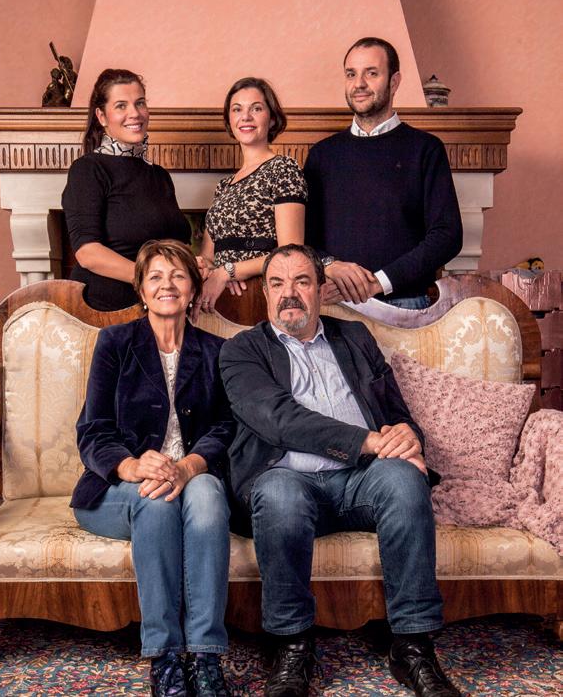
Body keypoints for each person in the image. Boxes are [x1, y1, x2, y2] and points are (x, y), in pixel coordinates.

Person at [219, 244, 462, 697]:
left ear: (320, 289)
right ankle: (292, 646)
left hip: (359, 482)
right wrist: (370, 442)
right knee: (279, 495)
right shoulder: (241, 351)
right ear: (265, 293)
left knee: (404, 480)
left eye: (301, 281)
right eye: (277, 283)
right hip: (287, 478)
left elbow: (395, 410)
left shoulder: (354, 337)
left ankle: (413, 647)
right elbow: (278, 420)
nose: (289, 293)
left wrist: (407, 438)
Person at [71, 240, 233, 696]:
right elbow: (93, 430)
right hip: (117, 490)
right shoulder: (115, 344)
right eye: (156, 277)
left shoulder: (217, 351)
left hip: (193, 477)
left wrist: (189, 467)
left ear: (193, 289)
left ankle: (205, 656)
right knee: (156, 502)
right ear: (142, 290)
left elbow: (226, 427)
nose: (167, 285)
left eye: (178, 276)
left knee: (208, 494)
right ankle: (165, 657)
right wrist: (129, 466)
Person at [304, 37, 463, 310]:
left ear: (395, 81)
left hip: (405, 306)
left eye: (371, 73)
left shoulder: (425, 149)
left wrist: (378, 282)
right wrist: (330, 266)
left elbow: (447, 235)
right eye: (351, 74)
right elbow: (303, 237)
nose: (359, 84)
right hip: (335, 307)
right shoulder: (322, 155)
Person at [62, 69, 191, 311]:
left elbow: (173, 245)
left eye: (140, 103)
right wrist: (153, 280)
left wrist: (192, 266)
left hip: (159, 309)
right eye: (121, 105)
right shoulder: (88, 170)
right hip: (104, 312)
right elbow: (88, 253)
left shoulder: (159, 175)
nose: (135, 113)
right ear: (101, 116)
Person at [197, 77, 306, 313]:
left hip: (260, 294)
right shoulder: (223, 186)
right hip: (220, 297)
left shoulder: (283, 169)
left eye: (256, 108)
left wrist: (229, 271)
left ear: (272, 118)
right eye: (237, 109)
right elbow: (208, 256)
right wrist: (204, 268)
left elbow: (291, 252)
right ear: (229, 119)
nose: (245, 117)